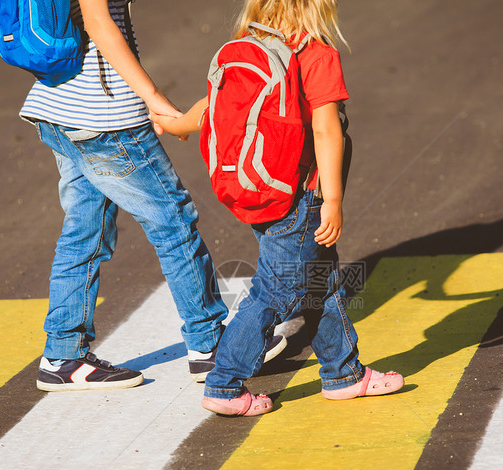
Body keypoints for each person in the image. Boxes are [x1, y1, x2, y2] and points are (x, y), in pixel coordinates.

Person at [152, 0, 404, 416]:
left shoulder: (248, 47)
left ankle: (344, 374)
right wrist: (333, 201)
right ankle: (224, 384)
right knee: (276, 291)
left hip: (260, 187)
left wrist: (177, 124)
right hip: (300, 197)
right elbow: (325, 129)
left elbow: (211, 106)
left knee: (321, 280)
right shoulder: (317, 54)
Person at [19, 0, 284, 391]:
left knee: (85, 231)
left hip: (59, 109)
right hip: (106, 118)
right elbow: (98, 21)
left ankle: (63, 354)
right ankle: (210, 344)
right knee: (172, 221)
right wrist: (153, 96)